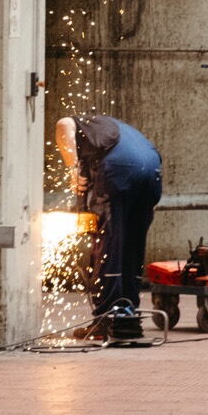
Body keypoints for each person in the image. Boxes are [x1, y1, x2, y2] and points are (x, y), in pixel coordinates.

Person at [55, 113, 162, 333]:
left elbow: (63, 124)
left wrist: (73, 170)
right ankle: (129, 317)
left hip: (120, 169)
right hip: (152, 170)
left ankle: (108, 318)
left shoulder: (83, 124)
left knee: (109, 244)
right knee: (132, 246)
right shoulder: (112, 133)